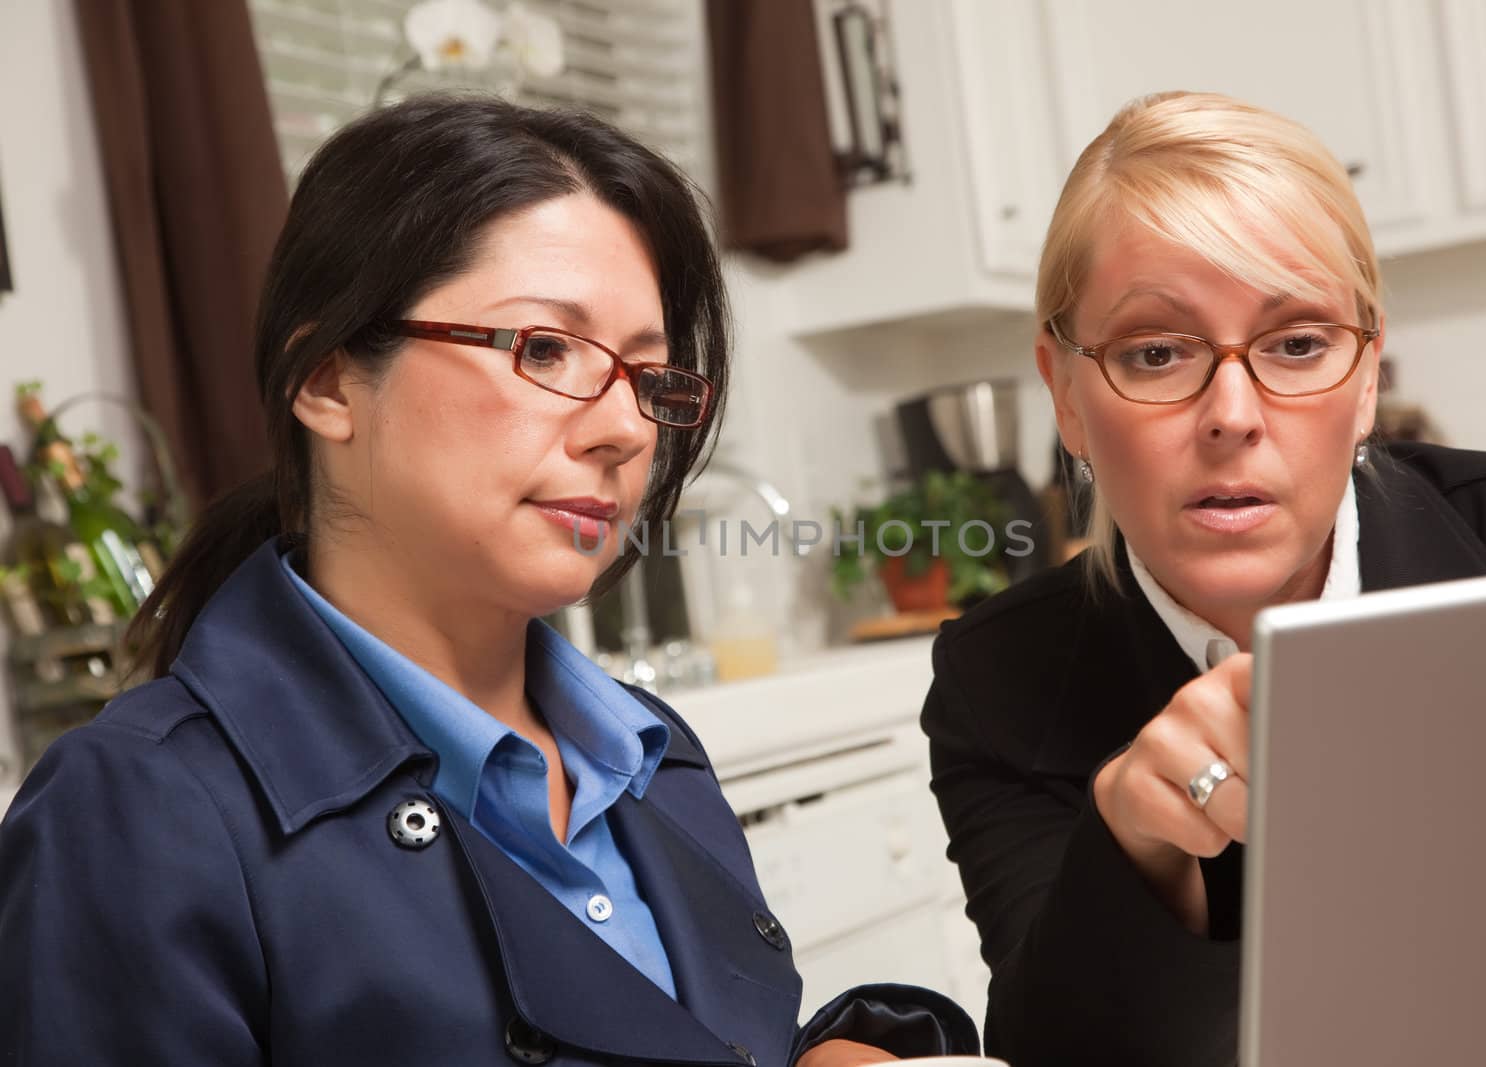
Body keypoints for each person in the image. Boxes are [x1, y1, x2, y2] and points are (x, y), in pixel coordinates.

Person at [0, 95, 977, 1066]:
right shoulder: (135, 807)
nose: (626, 429)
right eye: (544, 348)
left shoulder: (650, 752)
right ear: (327, 381)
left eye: (650, 377)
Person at [920, 90, 1486, 1067]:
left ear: (1366, 376)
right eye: (1155, 353)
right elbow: (1054, 1045)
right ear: (1066, 395)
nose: (1231, 413)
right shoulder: (1001, 681)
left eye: (1296, 344)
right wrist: (1138, 851)